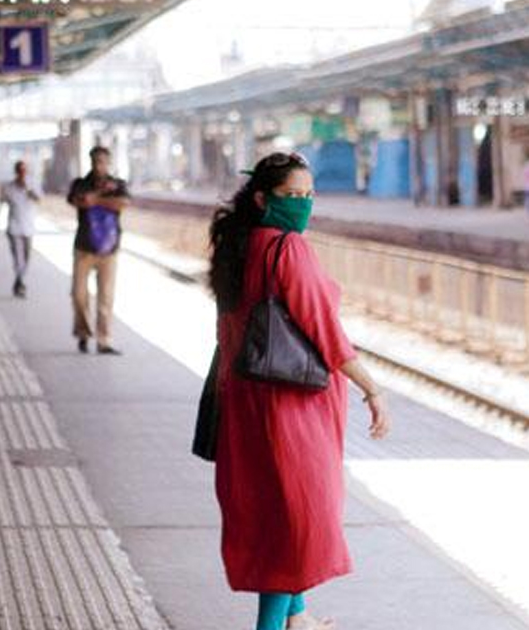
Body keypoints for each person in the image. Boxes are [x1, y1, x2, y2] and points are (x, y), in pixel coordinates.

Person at [208, 152, 391, 630]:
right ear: (264, 197)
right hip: (290, 406)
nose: (304, 205)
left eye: (310, 195)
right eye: (294, 196)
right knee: (296, 522)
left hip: (246, 400)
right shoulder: (287, 249)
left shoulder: (238, 244)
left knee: (274, 511)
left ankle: (298, 618)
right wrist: (371, 388)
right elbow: (324, 329)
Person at [66, 146, 129, 355]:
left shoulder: (119, 184)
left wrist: (96, 199)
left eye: (102, 161)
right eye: (95, 161)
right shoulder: (80, 184)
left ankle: (104, 341)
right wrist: (102, 195)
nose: (98, 165)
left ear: (108, 163)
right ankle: (83, 333)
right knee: (78, 294)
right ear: (90, 161)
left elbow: (122, 203)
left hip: (109, 250)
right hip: (83, 247)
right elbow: (79, 201)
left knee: (106, 297)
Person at [0, 160, 40, 298]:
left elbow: (39, 199)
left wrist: (28, 189)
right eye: (20, 170)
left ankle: (18, 281)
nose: (22, 173)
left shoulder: (32, 184)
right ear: (16, 172)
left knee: (27, 257)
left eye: (24, 170)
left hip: (28, 227)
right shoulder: (9, 187)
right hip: (13, 228)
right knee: (18, 258)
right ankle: (21, 283)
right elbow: (1, 203)